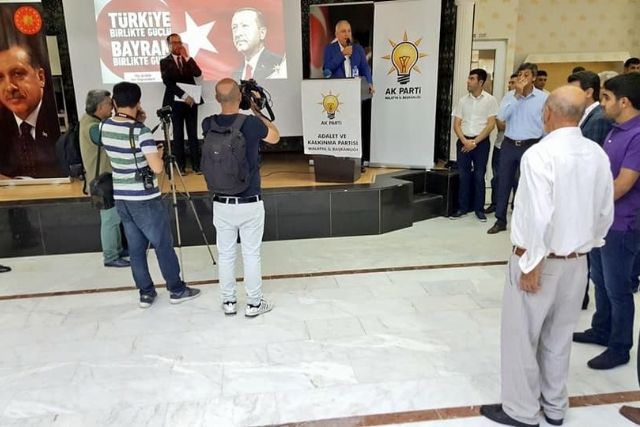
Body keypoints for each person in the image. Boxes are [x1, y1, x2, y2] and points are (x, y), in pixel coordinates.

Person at [480, 85, 614, 427]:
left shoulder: (540, 154)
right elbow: (605, 211)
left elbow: (537, 215)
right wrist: (585, 246)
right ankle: (555, 406)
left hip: (540, 262)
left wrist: (532, 264)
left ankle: (521, 410)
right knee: (559, 336)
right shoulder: (596, 154)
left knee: (522, 337)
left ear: (548, 113)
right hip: (577, 262)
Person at [102, 81, 200, 308]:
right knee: (162, 244)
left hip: (122, 197)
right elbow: (156, 168)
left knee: (136, 249)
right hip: (144, 198)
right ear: (138, 102)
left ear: (114, 102)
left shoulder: (105, 126)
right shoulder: (141, 132)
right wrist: (158, 154)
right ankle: (177, 289)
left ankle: (145, 293)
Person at [573, 73, 640, 370]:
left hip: (622, 224)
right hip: (603, 221)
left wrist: (587, 205)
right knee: (599, 280)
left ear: (624, 102)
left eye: (607, 98)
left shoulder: (637, 135)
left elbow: (623, 184)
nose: (602, 104)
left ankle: (619, 346)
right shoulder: (615, 130)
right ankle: (601, 329)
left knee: (618, 288)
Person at [202, 78, 279, 317]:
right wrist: (256, 109)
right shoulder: (251, 123)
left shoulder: (207, 124)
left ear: (217, 99)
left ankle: (228, 302)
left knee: (225, 255)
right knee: (251, 254)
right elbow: (275, 136)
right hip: (249, 201)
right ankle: (254, 304)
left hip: (221, 202)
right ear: (240, 98)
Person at [488, 63, 548, 234]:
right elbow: (501, 117)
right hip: (509, 144)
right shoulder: (510, 96)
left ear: (533, 78)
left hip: (531, 145)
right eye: (520, 74)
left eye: (526, 75)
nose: (522, 78)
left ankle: (525, 220)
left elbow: (546, 123)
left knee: (527, 184)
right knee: (503, 181)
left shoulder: (543, 98)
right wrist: (516, 96)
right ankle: (500, 220)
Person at [79, 89, 129, 268]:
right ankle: (110, 256)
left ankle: (118, 249)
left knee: (113, 218)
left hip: (102, 179)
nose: (112, 107)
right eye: (109, 104)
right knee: (109, 219)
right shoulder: (92, 127)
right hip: (101, 182)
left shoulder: (90, 120)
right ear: (100, 107)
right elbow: (108, 137)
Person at [0, 44, 62, 178]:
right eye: (0, 78)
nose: (9, 87)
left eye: (17, 74)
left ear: (41, 77)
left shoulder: (60, 121)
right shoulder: (3, 124)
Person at [450, 68, 498, 222]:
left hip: (481, 143)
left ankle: (479, 209)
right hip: (463, 141)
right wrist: (465, 141)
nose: (468, 81)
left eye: (471, 79)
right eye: (468, 78)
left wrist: (475, 142)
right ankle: (462, 208)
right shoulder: (462, 101)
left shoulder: (490, 100)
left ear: (481, 82)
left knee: (479, 175)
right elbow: (456, 124)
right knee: (463, 176)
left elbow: (491, 125)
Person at [160, 33, 202, 174]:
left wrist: (187, 57)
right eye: (174, 43)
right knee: (178, 134)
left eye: (179, 42)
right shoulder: (165, 62)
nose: (178, 45)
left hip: (191, 103)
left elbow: (197, 73)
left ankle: (196, 166)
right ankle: (181, 166)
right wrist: (184, 96)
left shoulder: (187, 59)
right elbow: (168, 82)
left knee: (192, 133)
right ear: (169, 45)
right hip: (176, 102)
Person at [486, 73, 517, 214]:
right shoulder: (506, 99)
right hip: (500, 144)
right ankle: (495, 204)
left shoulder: (528, 101)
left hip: (517, 146)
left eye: (513, 82)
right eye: (509, 82)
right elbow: (500, 124)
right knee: (497, 177)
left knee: (517, 178)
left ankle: (516, 206)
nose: (510, 85)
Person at [231, 8, 284, 81]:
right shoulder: (236, 74)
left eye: (245, 26)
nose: (237, 34)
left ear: (262, 33)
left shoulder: (280, 65)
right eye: (234, 27)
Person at [322, 20, 374, 94]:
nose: (347, 34)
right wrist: (342, 54)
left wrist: (369, 82)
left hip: (355, 91)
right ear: (336, 34)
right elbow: (327, 69)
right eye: (343, 31)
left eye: (349, 31)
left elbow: (365, 68)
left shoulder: (358, 49)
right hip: (336, 92)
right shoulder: (329, 49)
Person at [568, 71, 612, 146]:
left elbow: (594, 149)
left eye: (573, 91)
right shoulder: (583, 114)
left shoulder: (599, 119)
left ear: (588, 93)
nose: (568, 95)